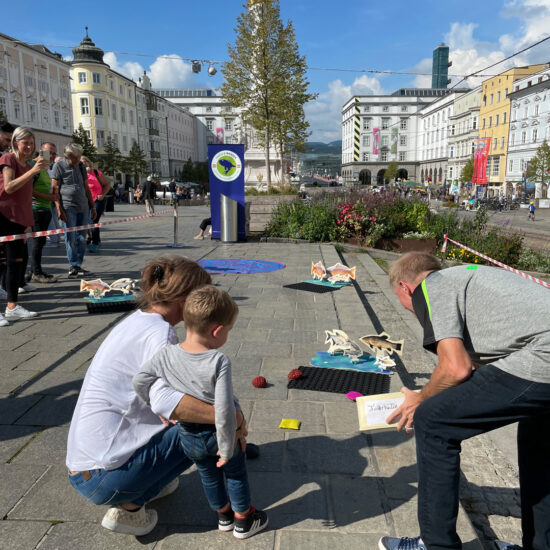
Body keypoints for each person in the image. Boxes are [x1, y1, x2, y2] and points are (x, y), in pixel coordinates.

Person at [378, 252, 550, 550]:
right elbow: (481, 370)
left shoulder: (434, 286)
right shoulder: (469, 277)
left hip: (544, 359)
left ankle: (436, 545)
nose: (409, 309)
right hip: (541, 359)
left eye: (401, 300)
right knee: (539, 451)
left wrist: (421, 398)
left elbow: (456, 368)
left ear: (405, 287)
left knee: (432, 420)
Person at [67, 257, 234, 536]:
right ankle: (131, 506)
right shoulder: (160, 334)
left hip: (82, 467)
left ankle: (147, 481)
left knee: (190, 417)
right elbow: (167, 402)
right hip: (103, 477)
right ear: (184, 300)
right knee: (204, 428)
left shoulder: (137, 320)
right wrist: (230, 418)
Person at [133, 285, 268, 539]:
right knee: (236, 475)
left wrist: (154, 408)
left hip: (188, 433)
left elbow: (139, 380)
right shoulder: (218, 361)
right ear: (216, 331)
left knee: (209, 477)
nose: (226, 335)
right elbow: (224, 410)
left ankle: (223, 516)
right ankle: (244, 521)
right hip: (219, 434)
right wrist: (228, 448)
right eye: (228, 331)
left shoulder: (165, 355)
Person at [0, 126, 49, 325]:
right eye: (25, 142)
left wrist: (27, 220)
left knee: (15, 264)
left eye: (31, 143)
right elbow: (9, 187)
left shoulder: (28, 165)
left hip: (19, 220)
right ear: (15, 143)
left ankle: (12, 306)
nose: (29, 146)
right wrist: (34, 171)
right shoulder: (7, 159)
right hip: (3, 216)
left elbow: (26, 196)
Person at [51, 144, 96, 279]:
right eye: (75, 157)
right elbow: (55, 189)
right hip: (68, 206)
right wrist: (59, 208)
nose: (77, 160)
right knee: (70, 237)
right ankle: (73, 265)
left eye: (78, 157)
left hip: (83, 206)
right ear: (67, 156)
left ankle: (78, 264)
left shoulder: (81, 166)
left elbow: (86, 187)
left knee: (82, 238)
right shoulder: (59, 166)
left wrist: (92, 206)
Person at [26, 142, 60, 283]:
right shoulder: (35, 166)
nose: (51, 156)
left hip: (45, 208)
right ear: (41, 152)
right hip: (36, 209)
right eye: (48, 152)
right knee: (37, 242)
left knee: (39, 242)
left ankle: (34, 270)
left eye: (54, 153)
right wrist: (49, 197)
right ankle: (36, 272)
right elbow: (29, 190)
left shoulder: (46, 168)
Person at [81, 156, 111, 253]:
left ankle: (95, 242)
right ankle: (92, 238)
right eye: (81, 163)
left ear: (89, 163)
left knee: (93, 221)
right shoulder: (79, 174)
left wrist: (102, 194)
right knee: (87, 222)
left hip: (97, 201)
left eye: (85, 161)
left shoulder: (96, 173)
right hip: (85, 202)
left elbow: (107, 184)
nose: (84, 164)